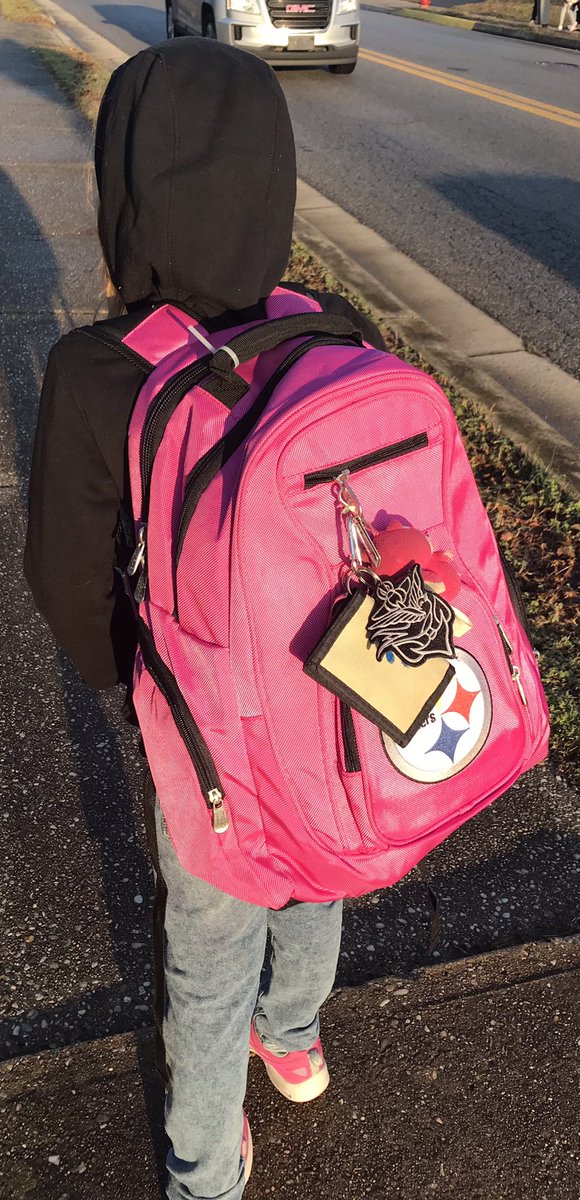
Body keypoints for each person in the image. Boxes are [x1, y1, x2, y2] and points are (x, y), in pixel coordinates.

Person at [24, 38, 384, 1200]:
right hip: (332, 692)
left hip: (207, 728)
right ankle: (295, 1040)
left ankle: (202, 1169)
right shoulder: (326, 327)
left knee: (209, 943)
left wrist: (129, 680)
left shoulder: (95, 369)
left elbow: (66, 580)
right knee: (318, 870)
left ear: (124, 188)